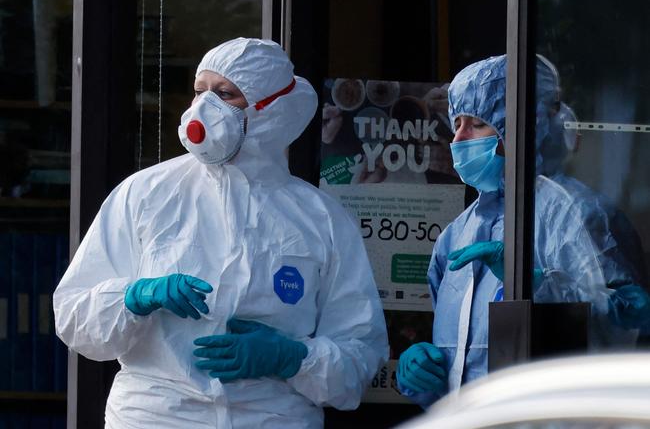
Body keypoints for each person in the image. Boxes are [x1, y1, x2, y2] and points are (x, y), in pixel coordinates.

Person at [53, 38, 389, 428]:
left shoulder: (320, 219)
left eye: (226, 93)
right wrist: (134, 297)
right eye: (199, 92)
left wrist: (294, 358)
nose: (204, 108)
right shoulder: (147, 194)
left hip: (271, 419)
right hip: (155, 417)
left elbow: (359, 357)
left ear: (271, 109)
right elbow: (74, 319)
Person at [395, 54, 650, 408]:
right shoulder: (456, 233)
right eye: (456, 123)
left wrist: (535, 286)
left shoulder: (577, 215)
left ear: (521, 126)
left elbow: (625, 327)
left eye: (477, 124)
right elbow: (462, 360)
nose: (459, 138)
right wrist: (427, 375)